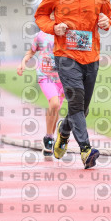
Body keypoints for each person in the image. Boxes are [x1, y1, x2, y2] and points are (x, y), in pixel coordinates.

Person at [34, 0, 111, 169]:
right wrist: (53, 27)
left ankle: (64, 130)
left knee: (82, 108)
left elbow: (106, 17)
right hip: (66, 55)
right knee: (75, 102)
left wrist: (106, 22)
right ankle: (86, 150)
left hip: (91, 55)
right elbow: (41, 16)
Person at [17, 24, 65, 157]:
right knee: (54, 103)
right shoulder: (41, 35)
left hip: (63, 78)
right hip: (45, 75)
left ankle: (49, 139)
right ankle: (49, 137)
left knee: (56, 109)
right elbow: (31, 51)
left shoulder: (69, 33)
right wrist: (23, 62)